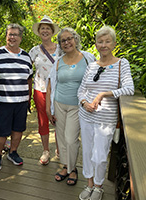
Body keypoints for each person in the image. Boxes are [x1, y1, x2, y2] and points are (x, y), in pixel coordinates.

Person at [78, 26, 134, 200]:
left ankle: (98, 186)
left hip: (105, 119)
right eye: (100, 41)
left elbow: (129, 88)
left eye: (107, 41)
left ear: (114, 44)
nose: (103, 45)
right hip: (86, 115)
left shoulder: (121, 64)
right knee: (87, 152)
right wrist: (84, 102)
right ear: (96, 44)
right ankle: (89, 185)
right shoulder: (92, 65)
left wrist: (104, 94)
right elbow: (81, 90)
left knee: (100, 156)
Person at [46, 27, 96, 185]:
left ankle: (73, 169)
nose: (66, 42)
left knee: (70, 138)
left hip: (78, 105)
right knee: (61, 138)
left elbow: (97, 81)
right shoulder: (58, 61)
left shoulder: (88, 58)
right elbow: (50, 84)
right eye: (63, 41)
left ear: (75, 39)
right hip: (59, 104)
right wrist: (48, 109)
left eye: (69, 39)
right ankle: (65, 166)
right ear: (60, 44)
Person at [0, 23, 33, 171]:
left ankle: (13, 152)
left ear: (20, 38)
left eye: (15, 34)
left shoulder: (27, 56)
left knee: (18, 129)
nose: (12, 37)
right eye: (10, 34)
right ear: (6, 36)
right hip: (2, 101)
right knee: (1, 131)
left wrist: (29, 98)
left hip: (21, 101)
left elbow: (29, 79)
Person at [29, 15, 60, 165]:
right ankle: (46, 150)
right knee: (43, 119)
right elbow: (26, 70)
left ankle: (60, 149)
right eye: (43, 28)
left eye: (48, 28)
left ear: (52, 31)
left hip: (58, 90)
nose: (45, 31)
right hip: (40, 89)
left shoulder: (61, 48)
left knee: (60, 118)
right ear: (39, 31)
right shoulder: (34, 51)